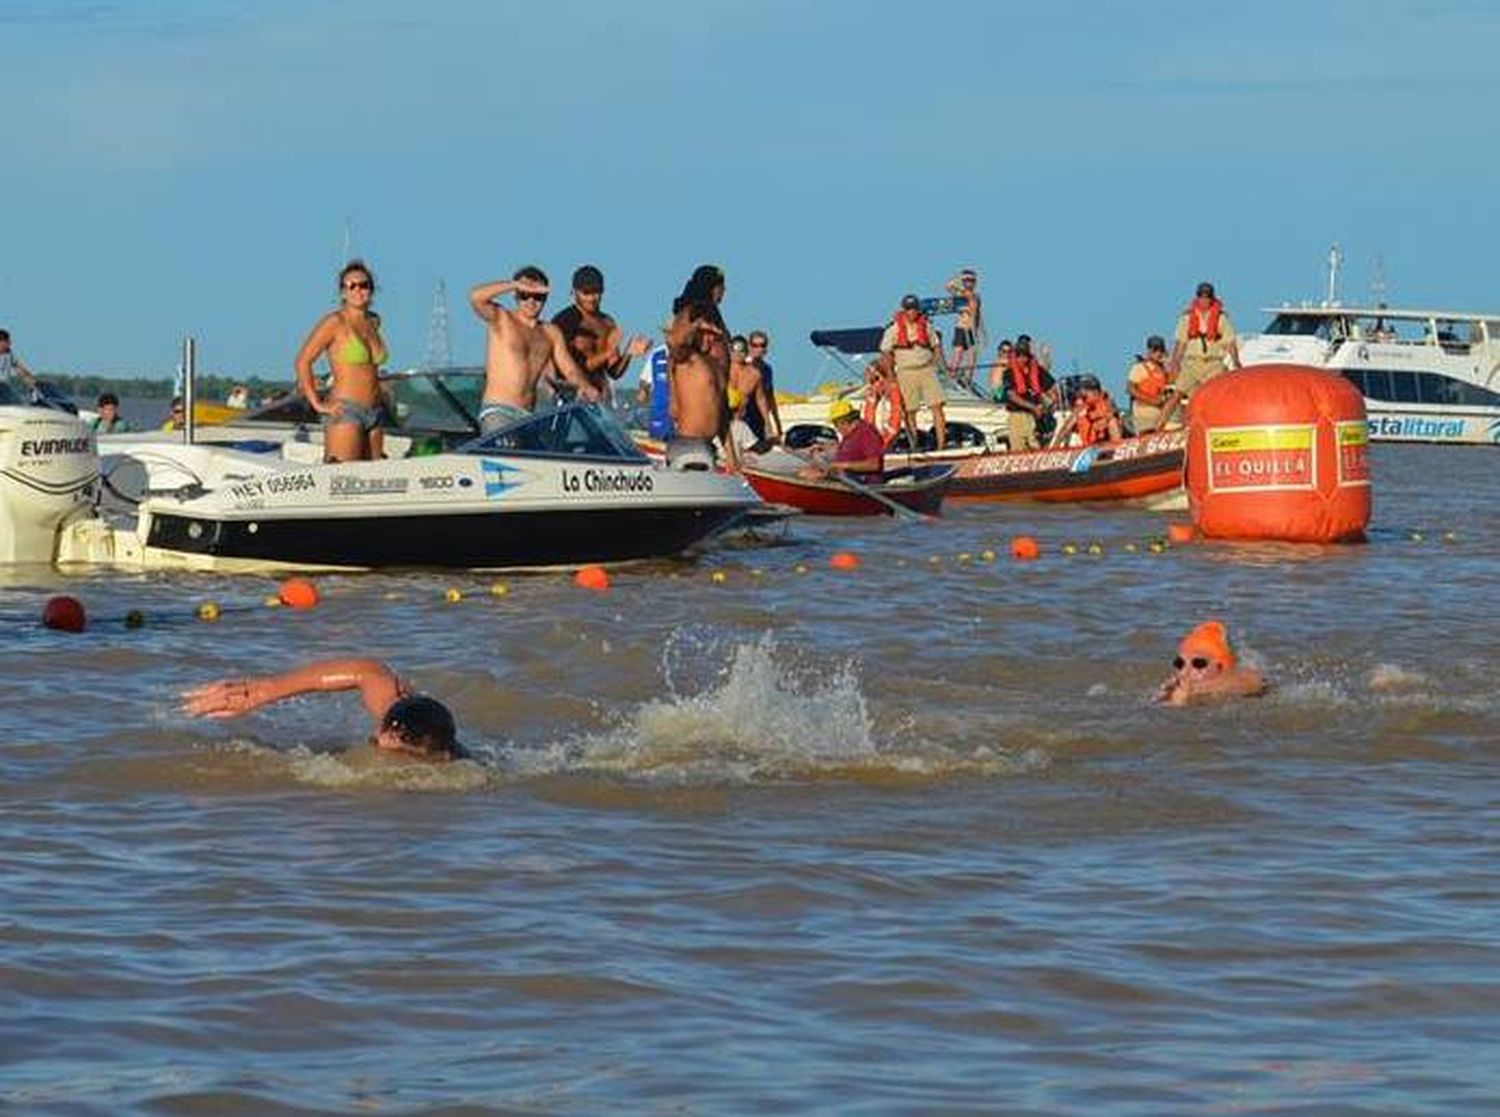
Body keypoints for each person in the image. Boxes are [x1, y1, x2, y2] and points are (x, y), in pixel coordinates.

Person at [181, 658, 466, 761]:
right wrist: (265, 691)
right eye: (381, 736)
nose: (379, 742)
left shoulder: (457, 765)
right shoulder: (395, 713)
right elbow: (368, 671)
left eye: (392, 745)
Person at [469, 265, 600, 434]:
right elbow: (475, 297)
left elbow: (569, 369)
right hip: (499, 411)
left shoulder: (550, 333)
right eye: (524, 295)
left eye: (537, 296)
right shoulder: (502, 319)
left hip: (527, 415)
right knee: (505, 456)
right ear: (516, 296)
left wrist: (586, 387)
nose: (531, 301)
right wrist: (515, 284)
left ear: (545, 297)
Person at [293, 260, 391, 463]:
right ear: (343, 293)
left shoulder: (373, 322)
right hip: (346, 411)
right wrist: (317, 403)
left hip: (376, 412)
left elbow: (371, 369)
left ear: (371, 290)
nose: (358, 290)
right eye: (351, 286)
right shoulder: (334, 322)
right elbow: (303, 361)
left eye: (363, 285)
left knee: (372, 483)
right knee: (342, 482)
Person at [664, 264, 738, 470]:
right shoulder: (689, 358)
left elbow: (721, 406)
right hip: (689, 445)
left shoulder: (714, 368)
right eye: (722, 287)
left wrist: (731, 453)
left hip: (708, 446)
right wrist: (697, 325)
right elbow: (674, 342)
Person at [549, 265, 650, 402]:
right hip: (571, 400)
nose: (592, 298)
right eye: (586, 292)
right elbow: (571, 370)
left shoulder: (607, 322)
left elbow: (614, 373)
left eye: (596, 292)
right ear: (574, 293)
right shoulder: (564, 322)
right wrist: (608, 352)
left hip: (601, 402)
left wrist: (628, 353)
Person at [880, 293, 948, 451]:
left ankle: (941, 445)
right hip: (906, 371)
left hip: (927, 369)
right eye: (908, 309)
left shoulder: (926, 326)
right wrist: (890, 375)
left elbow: (936, 346)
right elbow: (885, 353)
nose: (912, 312)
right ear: (903, 310)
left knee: (937, 407)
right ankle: (914, 445)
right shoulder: (894, 329)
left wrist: (943, 366)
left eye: (914, 309)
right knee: (910, 411)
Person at [1155, 621, 1266, 706]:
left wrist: (1193, 690)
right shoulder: (1171, 688)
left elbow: (1250, 681)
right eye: (1180, 663)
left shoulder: (1243, 677)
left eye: (1198, 663)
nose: (1185, 671)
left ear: (1219, 666)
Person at [1167, 281, 1240, 404]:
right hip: (1192, 362)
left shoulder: (1222, 318)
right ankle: (1159, 423)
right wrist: (1175, 362)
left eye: (1207, 297)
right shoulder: (1187, 317)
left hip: (1213, 363)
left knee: (1218, 393)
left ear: (1212, 298)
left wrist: (1236, 361)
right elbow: (1181, 343)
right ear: (1197, 297)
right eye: (1202, 296)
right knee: (1177, 394)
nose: (1204, 300)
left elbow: (1230, 342)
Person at [800, 399, 884, 483]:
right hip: (844, 474)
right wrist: (823, 447)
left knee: (810, 476)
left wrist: (843, 465)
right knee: (805, 471)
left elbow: (875, 465)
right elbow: (848, 451)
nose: (837, 428)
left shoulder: (867, 433)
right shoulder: (849, 434)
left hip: (861, 480)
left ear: (847, 421)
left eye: (837, 424)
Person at [1001, 334, 1051, 451]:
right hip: (1017, 416)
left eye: (1025, 355)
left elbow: (1052, 388)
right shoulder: (1009, 373)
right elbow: (1011, 396)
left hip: (1034, 417)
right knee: (1018, 448)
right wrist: (1033, 407)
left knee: (1035, 447)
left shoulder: (1037, 370)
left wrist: (1047, 405)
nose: (1023, 358)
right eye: (1019, 355)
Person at [728, 335, 773, 450]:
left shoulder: (754, 374)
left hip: (741, 423)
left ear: (747, 352)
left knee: (760, 451)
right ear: (730, 350)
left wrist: (768, 424)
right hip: (722, 425)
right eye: (735, 350)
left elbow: (761, 399)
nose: (738, 354)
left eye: (741, 351)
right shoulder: (722, 370)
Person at [1126, 335, 1176, 433]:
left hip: (1164, 416)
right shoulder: (1140, 368)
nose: (1158, 353)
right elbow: (1130, 389)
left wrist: (1169, 363)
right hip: (1145, 415)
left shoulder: (1165, 371)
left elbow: (1175, 384)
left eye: (1161, 350)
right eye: (1155, 350)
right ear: (1149, 351)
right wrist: (1152, 401)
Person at [1054, 376, 1122, 446]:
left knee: (1112, 421)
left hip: (1108, 445)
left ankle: (1116, 448)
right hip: (1088, 449)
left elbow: (1115, 424)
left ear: (1095, 391)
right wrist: (1054, 446)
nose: (1081, 394)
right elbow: (1066, 428)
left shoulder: (1107, 404)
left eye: (1085, 392)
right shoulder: (1081, 408)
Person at [945, 269, 983, 387]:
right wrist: (960, 279)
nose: (969, 283)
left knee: (972, 357)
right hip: (962, 327)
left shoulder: (976, 296)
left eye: (972, 280)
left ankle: (968, 381)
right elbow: (948, 285)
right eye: (967, 280)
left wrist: (977, 330)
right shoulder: (960, 293)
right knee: (958, 354)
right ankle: (951, 378)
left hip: (972, 329)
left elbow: (977, 314)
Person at [744, 330, 783, 443]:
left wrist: (777, 424)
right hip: (745, 418)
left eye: (762, 345)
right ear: (749, 346)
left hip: (760, 420)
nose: (759, 349)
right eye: (755, 345)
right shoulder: (743, 367)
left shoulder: (767, 369)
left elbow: (770, 397)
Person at [860, 354, 905, 448]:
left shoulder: (900, 367)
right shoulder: (877, 369)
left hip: (895, 393)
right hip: (885, 390)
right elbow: (869, 375)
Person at [0, 328, 38, 392]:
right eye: (7, 341)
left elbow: (19, 368)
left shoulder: (9, 354)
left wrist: (31, 379)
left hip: (4, 389)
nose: (10, 343)